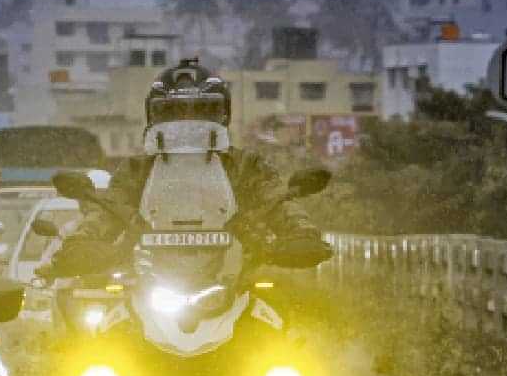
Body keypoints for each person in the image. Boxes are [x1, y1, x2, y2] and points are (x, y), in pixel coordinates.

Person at [38, 58, 331, 278]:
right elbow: (107, 211)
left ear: (223, 115)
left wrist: (301, 235)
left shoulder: (247, 166)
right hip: (152, 282)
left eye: (203, 110)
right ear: (154, 117)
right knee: (99, 344)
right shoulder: (136, 170)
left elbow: (278, 202)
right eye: (173, 111)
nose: (188, 121)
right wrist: (80, 243)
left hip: (235, 279)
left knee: (284, 340)